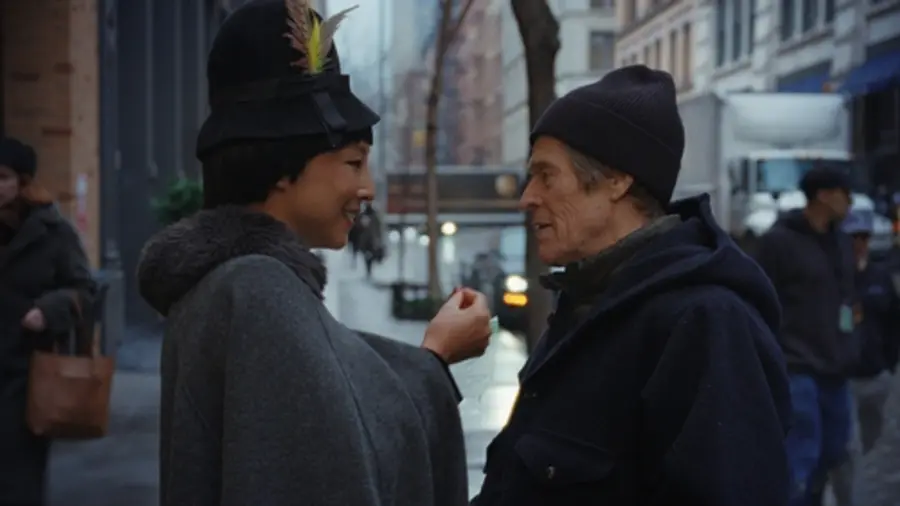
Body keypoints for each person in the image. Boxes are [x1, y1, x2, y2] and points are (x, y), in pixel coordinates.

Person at [136, 2, 491, 505]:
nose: (367, 189)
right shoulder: (256, 291)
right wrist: (434, 362)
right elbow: (338, 459)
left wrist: (431, 355)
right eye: (353, 163)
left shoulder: (226, 284)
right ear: (283, 165)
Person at [471, 65, 792, 506]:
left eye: (546, 175)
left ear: (617, 179)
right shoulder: (588, 302)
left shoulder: (706, 323)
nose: (528, 197)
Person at [0, 136, 96, 506]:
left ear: (23, 182)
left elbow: (84, 289)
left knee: (18, 480)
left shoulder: (53, 232)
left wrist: (48, 310)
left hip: (25, 376)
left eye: (2, 177)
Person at [755, 167, 857, 506]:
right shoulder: (779, 241)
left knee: (833, 450)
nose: (850, 202)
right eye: (845, 194)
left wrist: (851, 344)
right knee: (801, 454)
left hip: (835, 366)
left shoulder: (842, 242)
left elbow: (847, 298)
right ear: (823, 195)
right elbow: (759, 298)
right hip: (795, 365)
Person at [830, 209, 899, 506]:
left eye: (863, 238)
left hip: (876, 376)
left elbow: (894, 321)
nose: (859, 244)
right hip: (844, 379)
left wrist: (890, 363)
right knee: (848, 447)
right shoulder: (834, 277)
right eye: (853, 237)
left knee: (873, 443)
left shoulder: (880, 277)